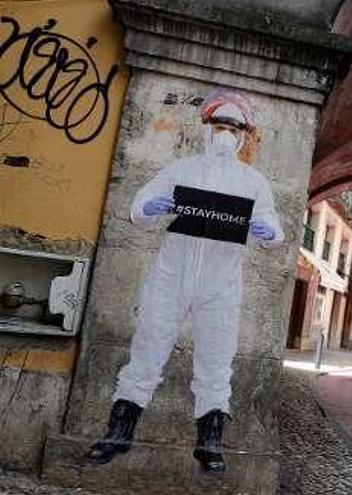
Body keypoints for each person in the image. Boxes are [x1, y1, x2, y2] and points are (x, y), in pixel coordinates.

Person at [84, 88, 284, 473]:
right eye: (220, 125)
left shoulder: (253, 182)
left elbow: (275, 229)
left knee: (215, 360)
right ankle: (117, 433)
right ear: (207, 128)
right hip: (170, 276)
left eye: (234, 127)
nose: (226, 133)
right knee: (146, 353)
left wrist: (268, 232)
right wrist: (149, 207)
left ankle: (209, 443)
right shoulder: (180, 170)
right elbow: (139, 208)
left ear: (243, 134)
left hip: (221, 284)